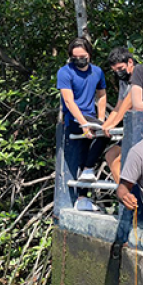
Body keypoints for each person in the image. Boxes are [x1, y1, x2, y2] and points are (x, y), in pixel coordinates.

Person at [57, 37, 108, 211]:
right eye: (75, 57)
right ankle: (81, 193)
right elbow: (69, 102)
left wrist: (100, 119)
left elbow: (102, 96)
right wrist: (84, 124)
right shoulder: (65, 72)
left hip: (91, 116)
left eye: (83, 56)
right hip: (73, 118)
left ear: (89, 55)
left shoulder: (97, 72)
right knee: (78, 156)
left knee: (107, 133)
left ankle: (84, 191)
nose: (79, 60)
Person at [102, 47, 136, 183]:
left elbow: (129, 101)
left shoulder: (140, 73)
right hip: (132, 126)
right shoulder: (123, 81)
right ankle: (125, 196)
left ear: (130, 62)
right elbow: (119, 106)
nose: (119, 73)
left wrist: (113, 124)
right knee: (111, 156)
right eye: (115, 71)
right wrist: (105, 126)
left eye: (120, 68)